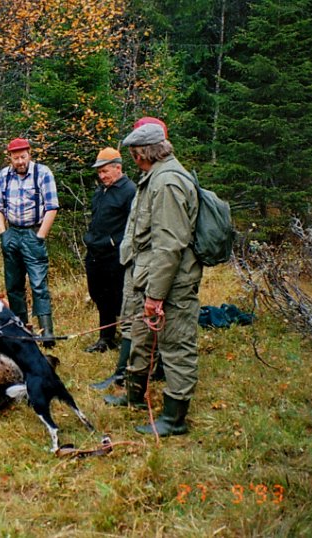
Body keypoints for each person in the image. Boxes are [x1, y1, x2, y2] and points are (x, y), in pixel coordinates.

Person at [103, 121, 202, 437]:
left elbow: (169, 245)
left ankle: (175, 418)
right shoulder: (155, 177)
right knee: (141, 338)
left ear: (145, 152)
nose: (133, 160)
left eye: (134, 154)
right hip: (149, 275)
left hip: (171, 283)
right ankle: (134, 395)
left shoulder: (168, 183)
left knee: (176, 345)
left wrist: (155, 295)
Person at [0, 138, 59, 347]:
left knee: (39, 284)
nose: (20, 161)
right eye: (15, 158)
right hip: (12, 234)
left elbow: (52, 207)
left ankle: (46, 331)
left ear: (30, 154)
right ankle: (21, 329)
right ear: (10, 158)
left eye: (23, 156)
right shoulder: (4, 175)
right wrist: (4, 234)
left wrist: (40, 236)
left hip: (33, 234)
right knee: (13, 286)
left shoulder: (43, 173)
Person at [82, 147, 135, 356]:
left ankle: (130, 338)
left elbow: (134, 226)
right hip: (95, 254)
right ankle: (106, 338)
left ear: (118, 168)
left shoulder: (130, 191)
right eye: (99, 172)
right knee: (99, 295)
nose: (101, 176)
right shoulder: (101, 191)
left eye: (105, 171)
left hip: (116, 256)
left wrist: (118, 245)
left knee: (119, 298)